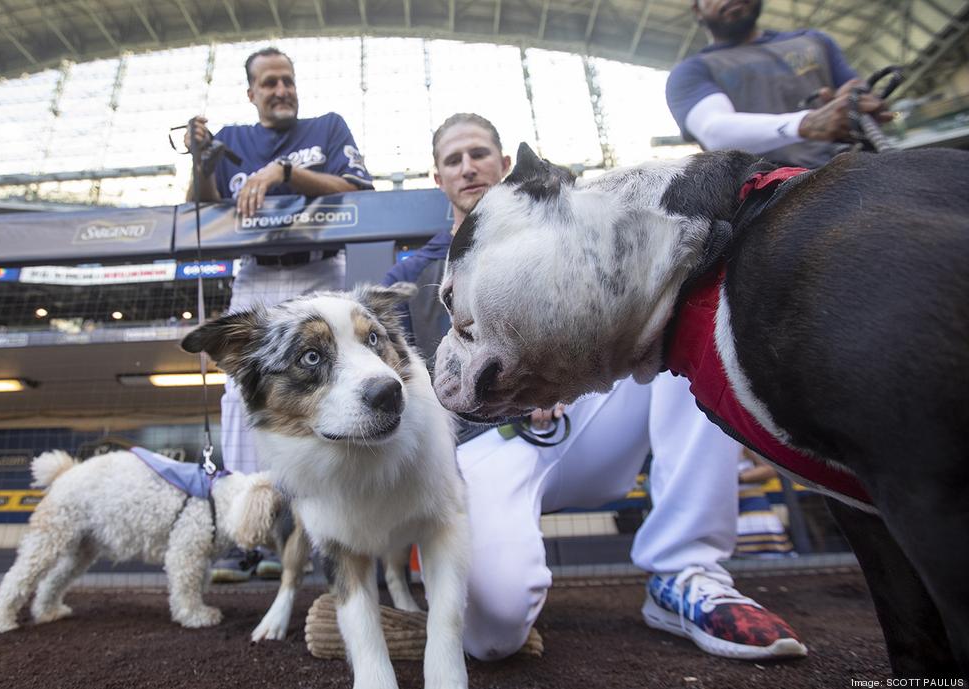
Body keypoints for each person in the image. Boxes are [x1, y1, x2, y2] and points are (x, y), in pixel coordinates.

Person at [382, 113, 807, 661]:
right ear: (438, 179)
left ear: (506, 167)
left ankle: (685, 571)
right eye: (453, 160)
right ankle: (443, 615)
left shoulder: (575, 234)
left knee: (682, 310)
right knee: (494, 635)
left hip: (589, 422)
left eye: (480, 154)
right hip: (488, 449)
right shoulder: (413, 275)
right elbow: (404, 390)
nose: (468, 168)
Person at [186, 46, 374, 582]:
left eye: (287, 80)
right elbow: (203, 205)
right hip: (258, 274)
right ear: (252, 93)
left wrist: (285, 171)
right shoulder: (234, 138)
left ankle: (313, 531)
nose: (281, 90)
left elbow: (361, 191)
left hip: (320, 271)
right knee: (239, 392)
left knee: (329, 385)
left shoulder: (328, 127)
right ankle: (250, 534)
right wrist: (204, 162)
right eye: (268, 82)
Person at [666, 0, 892, 168]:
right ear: (697, 9)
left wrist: (856, 105)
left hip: (851, 167)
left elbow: (854, 90)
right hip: (766, 194)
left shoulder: (815, 41)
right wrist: (807, 123)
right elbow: (714, 131)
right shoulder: (691, 71)